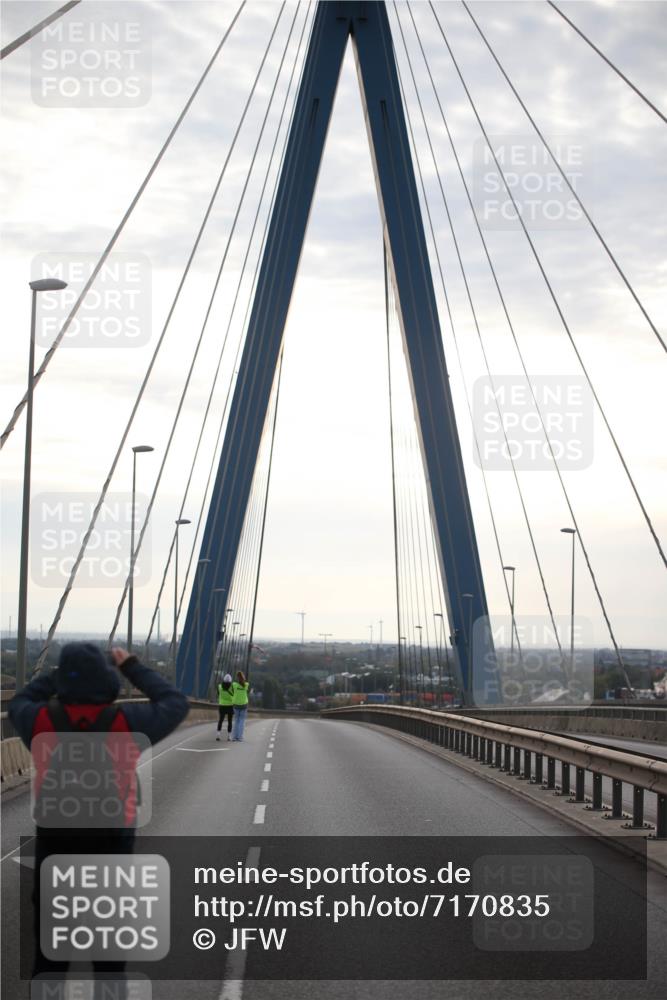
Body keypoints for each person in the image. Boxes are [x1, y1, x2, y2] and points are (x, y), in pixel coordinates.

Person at [8, 642, 189, 995]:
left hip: (56, 847)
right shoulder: (126, 723)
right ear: (105, 679)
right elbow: (175, 703)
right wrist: (131, 666)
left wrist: (57, 677)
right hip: (111, 848)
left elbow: (19, 702)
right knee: (109, 960)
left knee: (49, 959)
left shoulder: (41, 721)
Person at [231, 670, 250, 742]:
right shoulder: (246, 685)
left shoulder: (234, 685)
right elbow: (246, 687)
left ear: (237, 677)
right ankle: (240, 737)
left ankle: (234, 737)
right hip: (244, 704)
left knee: (236, 721)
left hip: (236, 704)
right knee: (242, 721)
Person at [216, 673, 234, 741]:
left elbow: (218, 694)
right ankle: (229, 736)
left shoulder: (219, 686)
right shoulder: (232, 687)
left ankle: (218, 735)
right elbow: (234, 694)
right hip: (230, 705)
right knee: (230, 721)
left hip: (222, 705)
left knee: (221, 720)